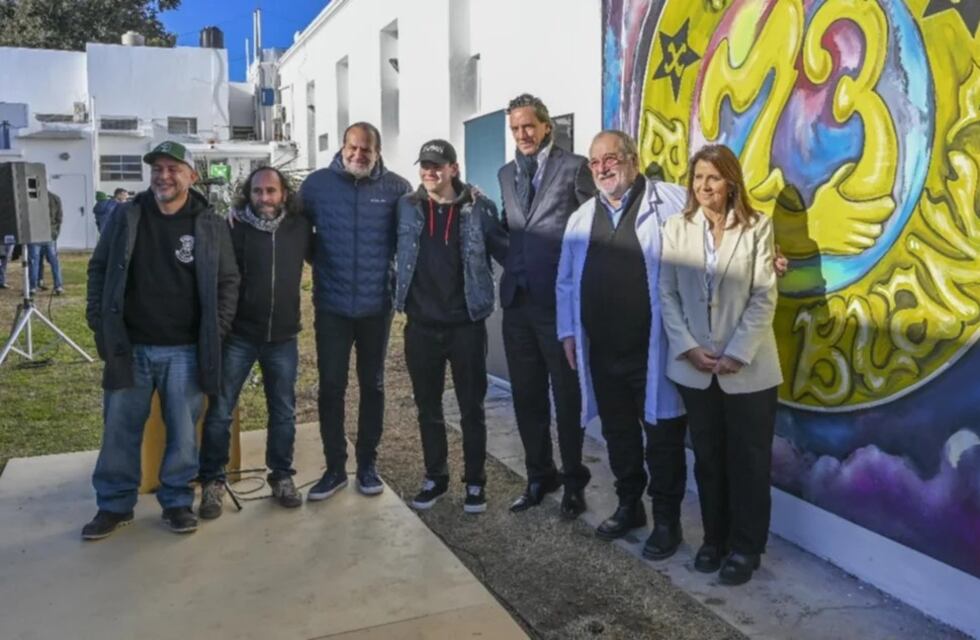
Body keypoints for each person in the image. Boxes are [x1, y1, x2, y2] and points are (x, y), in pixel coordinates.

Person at [82, 141, 239, 539]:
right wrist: (98, 320)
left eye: (173, 169)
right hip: (130, 347)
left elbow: (227, 282)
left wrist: (214, 331)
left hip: (185, 350)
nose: (163, 176)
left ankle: (176, 501)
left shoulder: (209, 223)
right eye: (157, 169)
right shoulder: (126, 215)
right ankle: (114, 505)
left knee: (184, 433)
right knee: (119, 428)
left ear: (191, 176)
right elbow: (99, 268)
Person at [556, 130, 688, 557]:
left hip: (653, 348)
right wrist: (569, 332)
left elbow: (714, 239)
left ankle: (668, 522)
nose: (602, 168)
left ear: (632, 159)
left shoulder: (671, 202)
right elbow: (566, 282)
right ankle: (630, 505)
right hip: (603, 350)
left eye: (610, 158)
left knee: (663, 437)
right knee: (618, 435)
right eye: (595, 163)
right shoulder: (582, 217)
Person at [659, 143, 783, 585]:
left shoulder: (757, 228)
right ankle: (714, 539)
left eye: (712, 177)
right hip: (696, 367)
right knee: (708, 459)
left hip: (748, 369)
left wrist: (737, 351)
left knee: (748, 462)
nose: (704, 186)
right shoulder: (677, 228)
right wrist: (689, 346)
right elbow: (667, 293)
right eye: (697, 178)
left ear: (730, 181)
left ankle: (746, 547)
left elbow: (764, 294)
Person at [394, 140, 508, 513]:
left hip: (465, 326)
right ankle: (435, 477)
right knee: (428, 407)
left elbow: (505, 248)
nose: (430, 172)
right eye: (425, 165)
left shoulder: (480, 208)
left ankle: (475, 482)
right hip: (421, 327)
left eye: (438, 166)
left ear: (454, 169)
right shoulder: (406, 209)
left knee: (471, 408)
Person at [301, 122, 411, 501]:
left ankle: (367, 465)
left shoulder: (397, 189)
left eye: (366, 149)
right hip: (331, 306)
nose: (358, 155)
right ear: (342, 146)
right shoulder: (315, 186)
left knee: (373, 385)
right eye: (353, 147)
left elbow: (412, 237)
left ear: (378, 151)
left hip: (375, 307)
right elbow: (297, 234)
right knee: (331, 387)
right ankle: (334, 468)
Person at [498, 94, 595, 517]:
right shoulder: (505, 174)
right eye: (516, 128)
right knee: (526, 395)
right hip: (516, 302)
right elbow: (511, 230)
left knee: (566, 396)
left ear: (545, 127)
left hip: (559, 305)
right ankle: (540, 475)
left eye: (528, 127)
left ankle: (575, 482)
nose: (522, 135)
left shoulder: (574, 167)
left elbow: (595, 226)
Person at [197, 166, 313, 519]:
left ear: (284, 195)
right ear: (249, 194)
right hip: (239, 336)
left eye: (271, 191)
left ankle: (281, 476)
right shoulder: (233, 228)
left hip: (283, 337)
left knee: (283, 412)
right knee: (219, 411)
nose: (264, 198)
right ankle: (213, 482)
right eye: (258, 192)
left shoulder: (299, 228)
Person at [29, 190, 65, 295]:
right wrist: (56, 233)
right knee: (54, 262)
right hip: (49, 234)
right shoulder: (55, 198)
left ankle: (32, 287)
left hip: (35, 235)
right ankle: (58, 286)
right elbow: (59, 217)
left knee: (33, 262)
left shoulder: (32, 198)